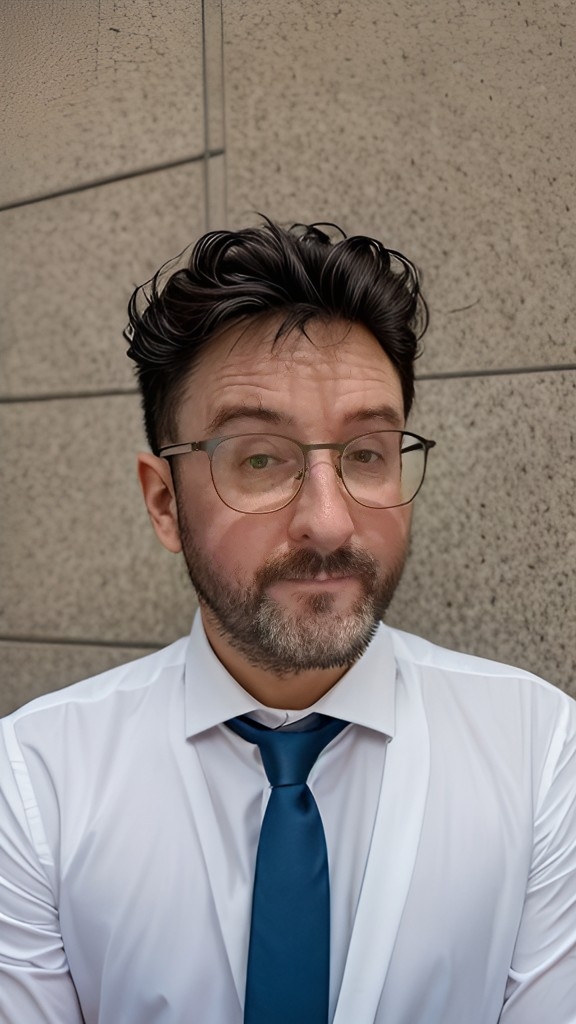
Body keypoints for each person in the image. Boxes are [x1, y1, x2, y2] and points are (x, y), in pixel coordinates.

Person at [1, 219, 575, 1024]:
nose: (329, 523)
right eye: (261, 459)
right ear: (164, 502)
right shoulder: (36, 784)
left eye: (368, 453)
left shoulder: (539, 751)